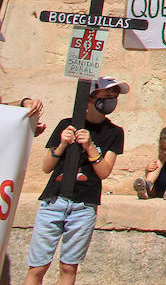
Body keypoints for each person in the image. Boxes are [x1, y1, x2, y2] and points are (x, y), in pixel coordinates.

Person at [23, 77, 127, 285]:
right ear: (90, 98)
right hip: (54, 200)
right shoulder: (67, 124)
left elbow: (104, 171)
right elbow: (46, 166)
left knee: (69, 266)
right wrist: (62, 144)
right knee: (38, 266)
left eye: (114, 97)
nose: (111, 101)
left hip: (84, 204)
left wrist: (90, 147)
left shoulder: (115, 132)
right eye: (106, 97)